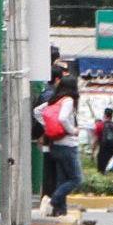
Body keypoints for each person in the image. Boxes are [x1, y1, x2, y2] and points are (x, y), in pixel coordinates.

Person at [33, 76, 82, 216]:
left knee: (62, 179)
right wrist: (71, 130)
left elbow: (37, 111)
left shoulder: (54, 100)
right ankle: (52, 202)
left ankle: (61, 210)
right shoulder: (68, 100)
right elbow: (62, 118)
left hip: (55, 144)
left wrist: (48, 127)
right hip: (68, 144)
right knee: (75, 179)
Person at [92, 108, 113, 172]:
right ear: (112, 116)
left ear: (104, 115)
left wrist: (93, 152)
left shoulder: (99, 126)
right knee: (112, 172)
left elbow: (95, 140)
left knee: (101, 173)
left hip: (103, 153)